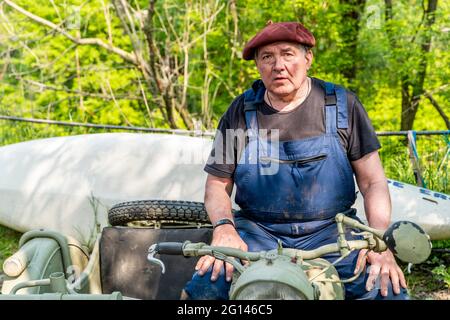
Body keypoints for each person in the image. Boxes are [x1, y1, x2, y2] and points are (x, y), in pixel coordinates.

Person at [182, 21, 408, 300]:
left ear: (307, 58)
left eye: (288, 54)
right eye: (267, 57)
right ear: (257, 65)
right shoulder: (239, 111)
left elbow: (373, 182)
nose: (279, 65)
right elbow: (217, 184)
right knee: (205, 288)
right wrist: (224, 229)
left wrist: (379, 242)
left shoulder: (342, 105)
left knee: (389, 291)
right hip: (256, 233)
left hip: (333, 233)